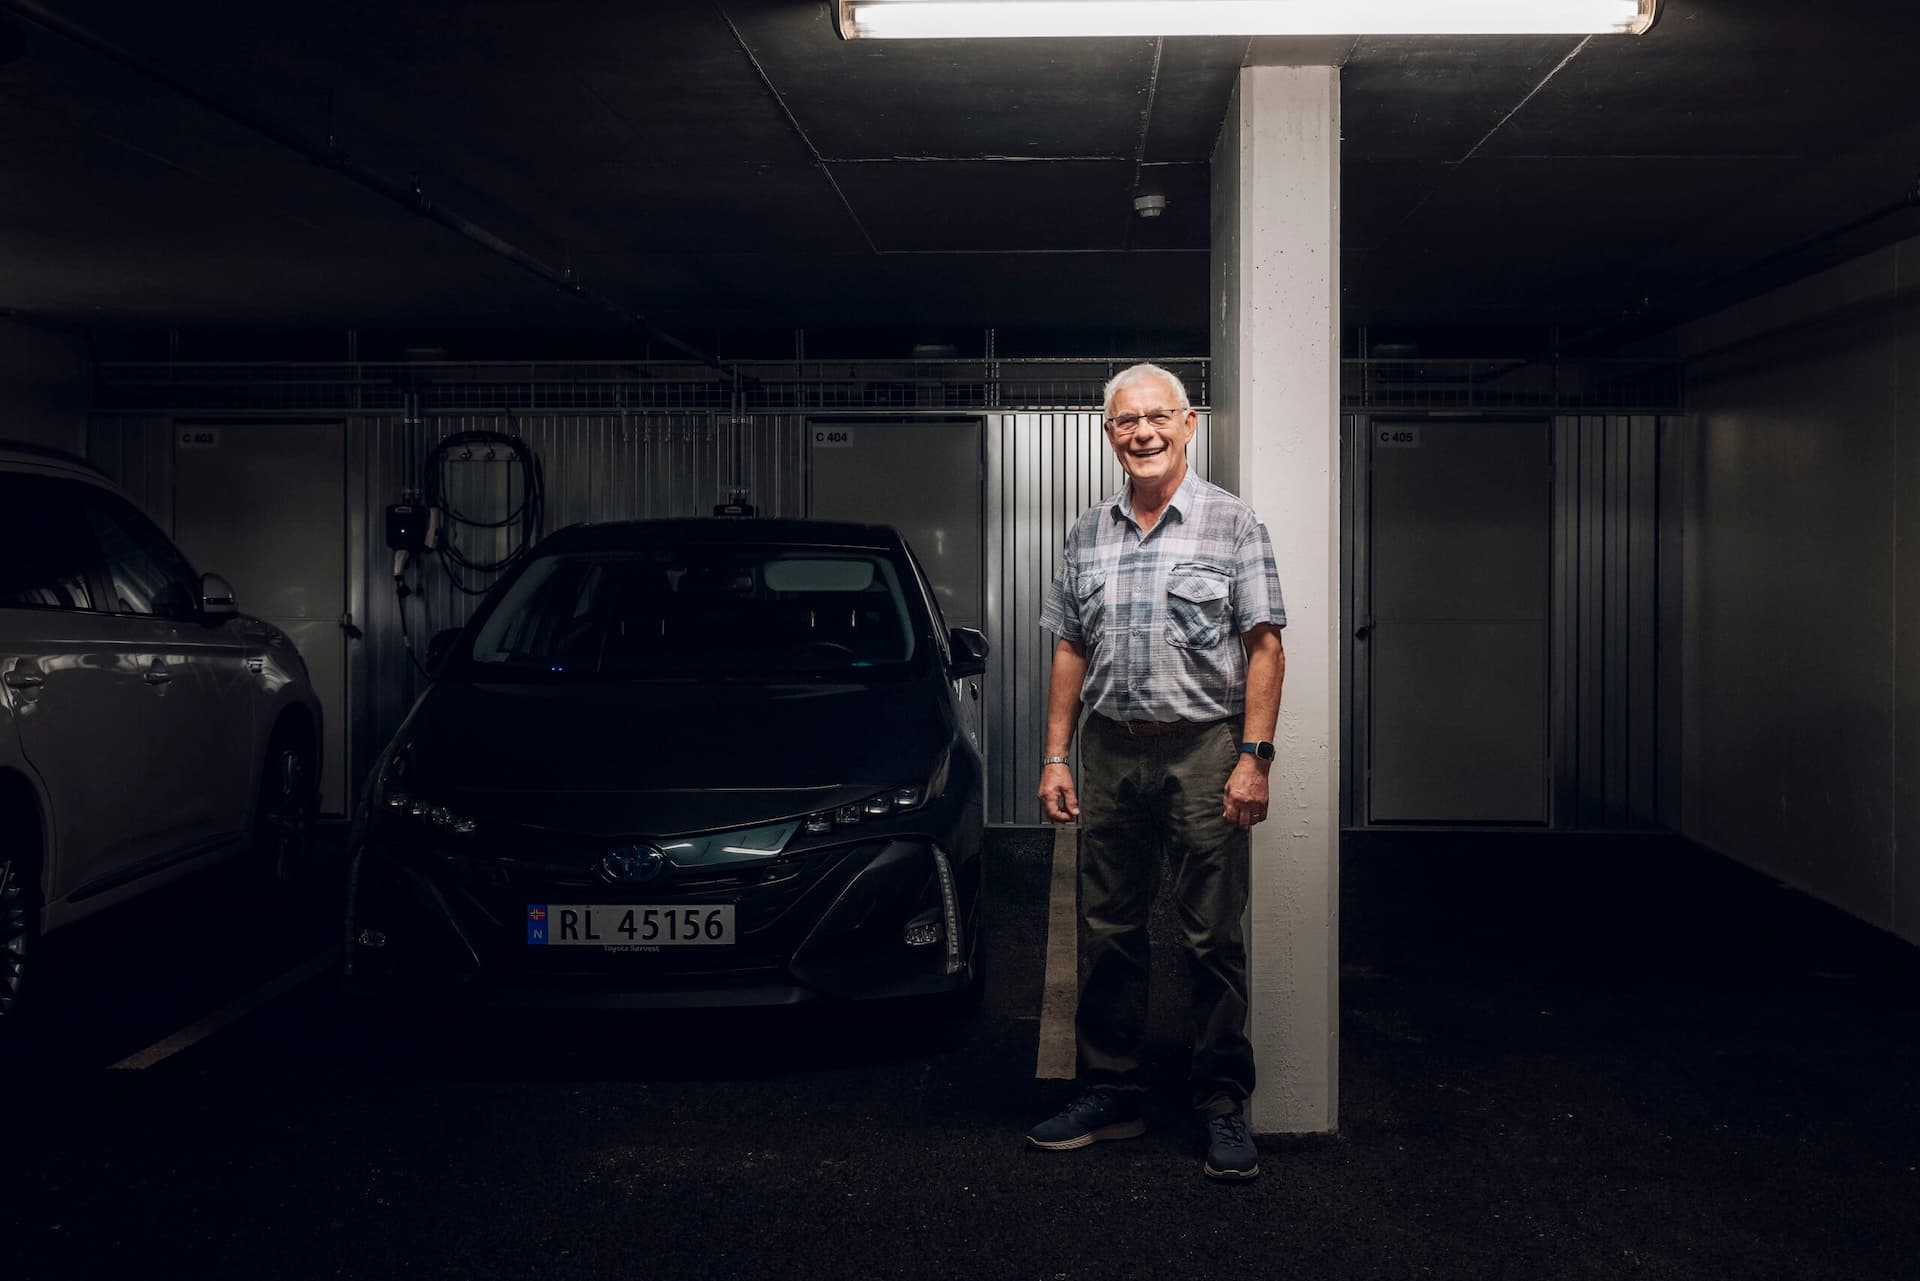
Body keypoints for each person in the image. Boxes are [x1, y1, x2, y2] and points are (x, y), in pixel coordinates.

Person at [1025, 362, 1286, 1182]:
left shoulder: (1232, 523)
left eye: (1156, 418)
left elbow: (1264, 647)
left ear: (1187, 424)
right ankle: (1113, 1091)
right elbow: (1070, 645)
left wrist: (1254, 757)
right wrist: (1057, 754)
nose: (1141, 433)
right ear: (1108, 435)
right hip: (1108, 746)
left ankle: (1220, 1102)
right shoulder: (1086, 531)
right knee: (1108, 930)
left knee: (1212, 935)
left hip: (1205, 747)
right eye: (1124, 422)